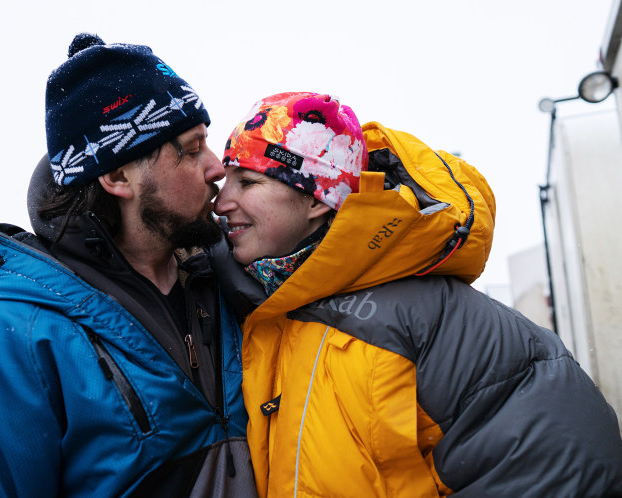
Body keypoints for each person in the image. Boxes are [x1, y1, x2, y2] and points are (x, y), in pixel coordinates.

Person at [0, 34, 257, 497]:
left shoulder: (238, 291)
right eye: (191, 150)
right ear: (115, 177)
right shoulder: (6, 334)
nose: (217, 167)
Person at [211, 91, 622, 497]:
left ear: (317, 198)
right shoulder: (257, 308)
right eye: (226, 180)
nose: (222, 201)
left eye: (247, 182)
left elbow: (563, 462)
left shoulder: (434, 320)